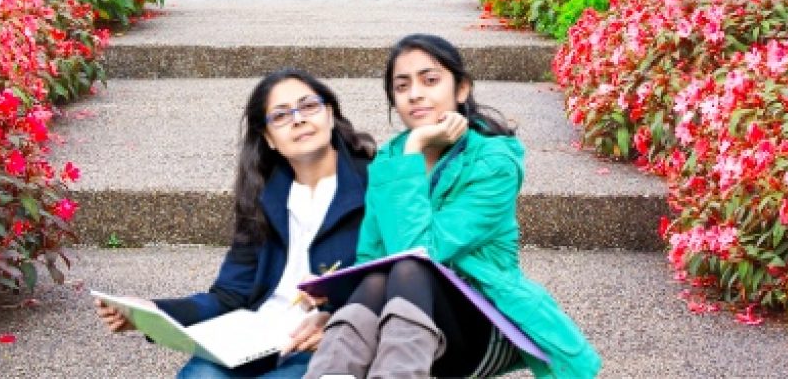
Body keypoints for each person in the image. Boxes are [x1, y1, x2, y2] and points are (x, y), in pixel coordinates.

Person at [306, 34, 601, 379]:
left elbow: (417, 251)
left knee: (409, 269)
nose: (415, 93)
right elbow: (372, 256)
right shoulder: (390, 159)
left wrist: (415, 146)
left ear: (461, 90)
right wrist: (337, 305)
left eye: (430, 80)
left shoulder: (493, 162)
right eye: (402, 87)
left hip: (484, 325)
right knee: (373, 277)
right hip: (403, 327)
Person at [96, 68, 376, 378]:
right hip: (256, 337)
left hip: (326, 341)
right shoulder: (264, 196)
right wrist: (152, 311)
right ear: (268, 138)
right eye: (281, 115)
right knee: (201, 375)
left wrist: (336, 317)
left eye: (309, 106)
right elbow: (229, 295)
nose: (298, 119)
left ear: (331, 114)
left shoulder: (377, 184)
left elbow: (395, 279)